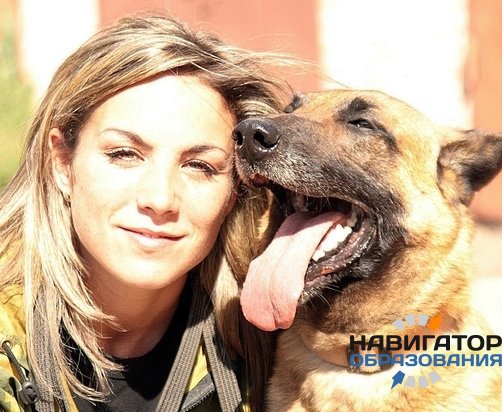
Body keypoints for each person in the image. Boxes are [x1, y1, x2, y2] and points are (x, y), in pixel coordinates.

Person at [0, 14, 289, 412]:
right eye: (124, 154)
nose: (160, 198)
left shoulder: (277, 352)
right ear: (63, 164)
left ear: (233, 194)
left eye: (199, 166)